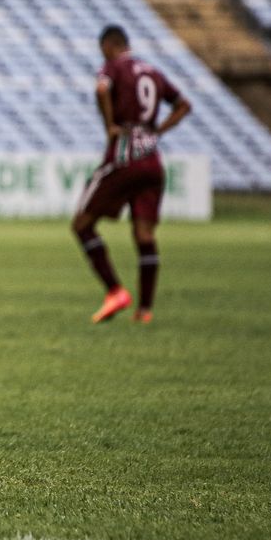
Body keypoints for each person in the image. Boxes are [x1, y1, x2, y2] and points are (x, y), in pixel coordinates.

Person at [71, 24, 192, 325]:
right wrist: (158, 131)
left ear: (109, 46)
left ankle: (115, 291)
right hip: (152, 161)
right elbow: (183, 105)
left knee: (82, 224)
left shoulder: (114, 66)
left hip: (124, 157)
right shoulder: (152, 71)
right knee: (144, 234)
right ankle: (145, 310)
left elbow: (101, 89)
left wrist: (110, 125)